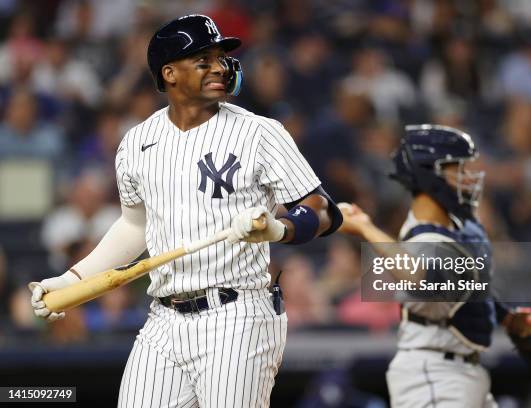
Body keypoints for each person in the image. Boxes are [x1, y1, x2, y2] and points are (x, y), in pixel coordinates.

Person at [29, 14, 342, 408]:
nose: (219, 67)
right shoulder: (137, 141)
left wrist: (278, 229)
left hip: (237, 314)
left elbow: (325, 211)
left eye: (221, 58)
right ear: (170, 73)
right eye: (203, 60)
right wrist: (72, 279)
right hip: (164, 318)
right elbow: (134, 227)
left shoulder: (260, 132)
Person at [337, 125, 531, 407]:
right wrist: (365, 228)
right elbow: (422, 280)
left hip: (458, 372)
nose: (467, 178)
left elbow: (464, 292)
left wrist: (509, 319)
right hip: (434, 374)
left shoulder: (451, 231)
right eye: (456, 169)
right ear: (429, 175)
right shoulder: (423, 236)